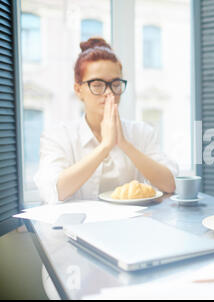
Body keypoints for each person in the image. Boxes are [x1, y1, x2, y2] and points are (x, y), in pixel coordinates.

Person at [34, 37, 178, 204]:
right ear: (78, 90)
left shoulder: (142, 132)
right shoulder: (58, 135)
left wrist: (124, 143)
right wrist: (105, 147)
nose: (109, 93)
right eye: (97, 85)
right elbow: (55, 191)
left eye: (115, 84)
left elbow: (170, 184)